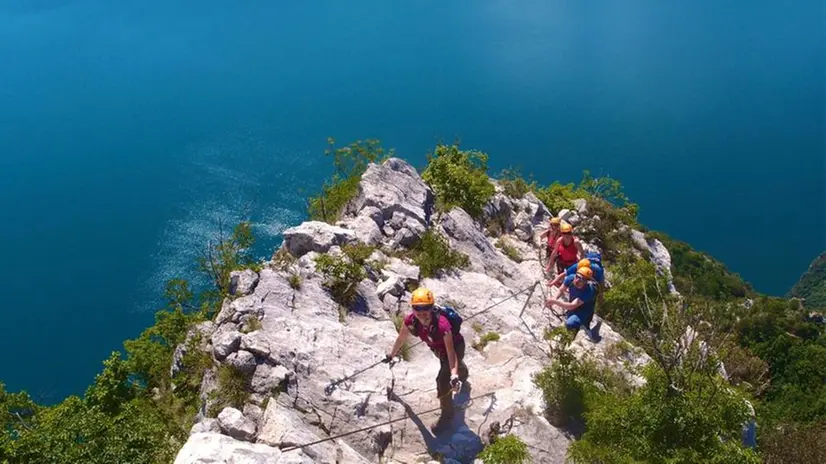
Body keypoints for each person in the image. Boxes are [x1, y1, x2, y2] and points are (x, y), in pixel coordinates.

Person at [384, 287, 468, 435]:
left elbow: (451, 353)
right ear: (412, 307)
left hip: (455, 348)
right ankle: (462, 371)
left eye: (426, 308)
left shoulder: (442, 325)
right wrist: (391, 355)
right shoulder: (411, 321)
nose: (421, 312)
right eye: (417, 308)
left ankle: (447, 414)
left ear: (432, 307)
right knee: (449, 367)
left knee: (442, 381)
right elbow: (401, 338)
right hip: (438, 350)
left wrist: (453, 376)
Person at [545, 267, 598, 341]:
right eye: (577, 277)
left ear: (586, 281)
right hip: (573, 306)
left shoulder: (589, 291)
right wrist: (554, 298)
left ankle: (581, 328)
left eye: (581, 279)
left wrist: (555, 302)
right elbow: (561, 289)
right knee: (568, 320)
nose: (577, 280)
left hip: (584, 310)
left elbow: (572, 306)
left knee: (571, 323)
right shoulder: (570, 278)